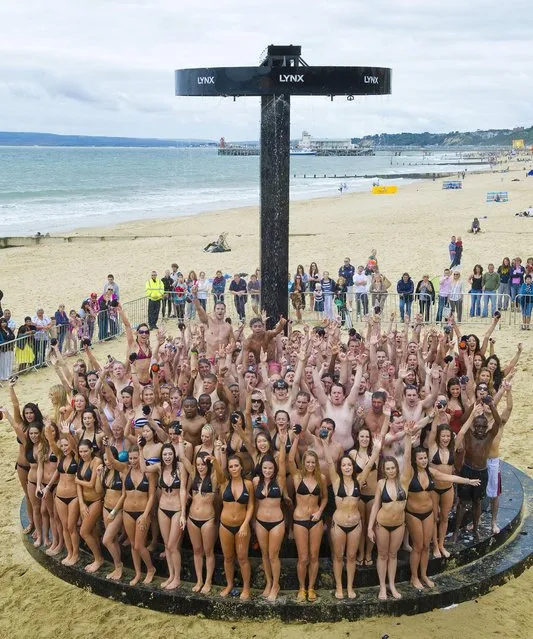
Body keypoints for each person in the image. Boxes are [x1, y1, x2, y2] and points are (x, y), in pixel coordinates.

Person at [322, 437, 382, 599]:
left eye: (349, 465)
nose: (347, 467)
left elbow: (369, 465)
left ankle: (349, 587)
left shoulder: (358, 480)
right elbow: (328, 462)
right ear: (340, 467)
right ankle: (339, 587)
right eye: (344, 465)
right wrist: (325, 444)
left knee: (351, 557)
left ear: (352, 467)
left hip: (355, 524)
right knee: (338, 556)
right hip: (339, 524)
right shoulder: (335, 481)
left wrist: (376, 450)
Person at [368, 423, 413, 601]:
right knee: (382, 555)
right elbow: (375, 506)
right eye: (387, 469)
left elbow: (408, 459)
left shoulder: (405, 481)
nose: (391, 471)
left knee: (393, 555)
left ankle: (392, 585)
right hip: (383, 524)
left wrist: (408, 438)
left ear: (397, 468)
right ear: (384, 471)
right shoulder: (381, 484)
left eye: (393, 468)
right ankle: (382, 587)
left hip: (398, 525)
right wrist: (370, 528)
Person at [454, 399, 502, 542]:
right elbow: (463, 421)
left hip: (482, 472)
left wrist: (492, 405)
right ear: (474, 426)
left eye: (483, 427)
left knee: (477, 502)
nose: (480, 429)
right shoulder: (469, 435)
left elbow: (498, 422)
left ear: (486, 427)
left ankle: (475, 529)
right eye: (478, 426)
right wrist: (475, 404)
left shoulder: (489, 436)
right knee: (462, 503)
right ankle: (456, 531)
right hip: (467, 471)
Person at [288, 432, 327, 602]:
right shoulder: (297, 477)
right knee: (303, 557)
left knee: (313, 557)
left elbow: (325, 497)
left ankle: (311, 588)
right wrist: (296, 438)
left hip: (315, 520)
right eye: (308, 462)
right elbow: (290, 460)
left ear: (316, 463)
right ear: (303, 463)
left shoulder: (321, 478)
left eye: (313, 462)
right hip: (300, 520)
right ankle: (301, 587)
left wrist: (320, 512)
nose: (310, 465)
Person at [213, 453, 255, 600]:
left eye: (236, 465)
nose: (234, 468)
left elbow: (250, 506)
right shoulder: (224, 483)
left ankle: (246, 587)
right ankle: (229, 584)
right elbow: (218, 473)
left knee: (243, 558)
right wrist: (215, 461)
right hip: (225, 526)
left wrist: (245, 525)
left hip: (241, 526)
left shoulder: (248, 484)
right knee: (228, 557)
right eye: (231, 466)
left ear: (241, 467)